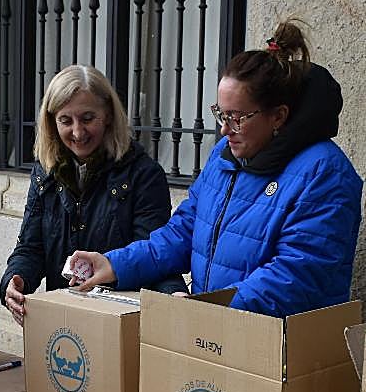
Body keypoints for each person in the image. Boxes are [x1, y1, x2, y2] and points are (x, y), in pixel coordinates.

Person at [71, 21, 362, 317]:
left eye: (238, 117)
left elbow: (297, 275)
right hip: (216, 332)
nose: (225, 129)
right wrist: (115, 264)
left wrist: (209, 311)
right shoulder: (224, 157)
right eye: (221, 114)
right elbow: (182, 233)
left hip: (282, 347)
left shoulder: (325, 173)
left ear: (278, 116)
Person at [0, 65, 185, 326]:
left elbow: (153, 255)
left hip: (119, 322)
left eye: (87, 118)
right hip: (63, 319)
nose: (77, 132)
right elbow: (31, 247)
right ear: (52, 122)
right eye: (66, 121)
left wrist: (174, 297)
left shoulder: (143, 174)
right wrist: (16, 279)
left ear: (108, 114)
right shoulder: (44, 171)